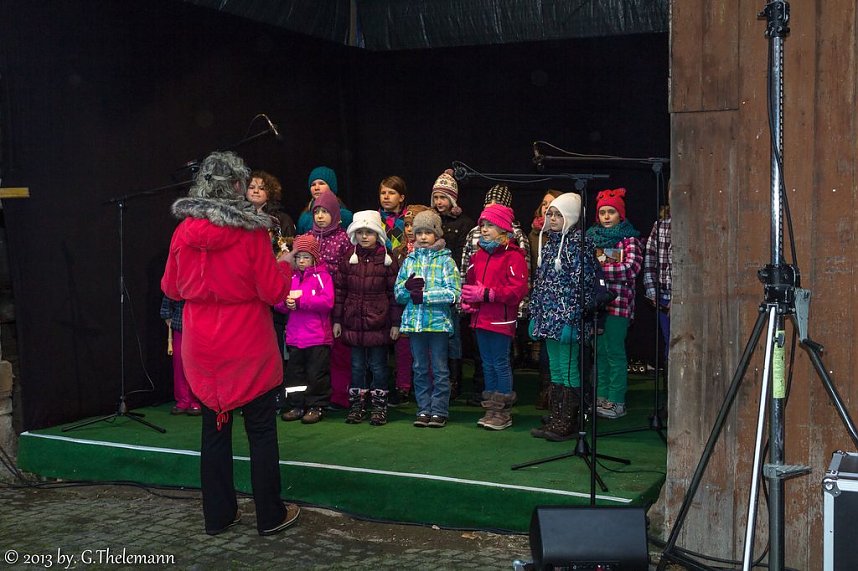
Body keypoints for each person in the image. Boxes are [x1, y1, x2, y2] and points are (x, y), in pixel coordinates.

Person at [160, 151, 300, 536]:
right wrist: (285, 264)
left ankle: (218, 515)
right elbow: (272, 291)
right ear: (238, 185)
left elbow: (171, 287)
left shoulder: (183, 231)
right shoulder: (251, 232)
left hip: (202, 345)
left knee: (214, 432)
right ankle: (270, 515)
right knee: (261, 431)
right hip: (246, 341)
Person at [529, 193, 596, 441]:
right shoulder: (549, 244)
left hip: (567, 320)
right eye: (551, 214)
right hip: (549, 319)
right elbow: (541, 284)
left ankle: (568, 421)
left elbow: (582, 288)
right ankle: (557, 416)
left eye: (559, 214)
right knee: (555, 368)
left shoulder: (580, 245)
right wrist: (536, 314)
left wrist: (572, 321)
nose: (554, 218)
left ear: (572, 216)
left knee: (568, 369)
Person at [459, 184, 531, 405]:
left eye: (490, 225)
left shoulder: (514, 256)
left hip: (501, 320)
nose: (484, 229)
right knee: (486, 362)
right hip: (481, 319)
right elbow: (471, 284)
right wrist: (470, 302)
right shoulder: (478, 256)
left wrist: (487, 294)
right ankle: (491, 402)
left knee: (500, 362)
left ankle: (502, 404)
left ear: (503, 228)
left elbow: (517, 290)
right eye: (483, 224)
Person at [395, 209, 461, 428]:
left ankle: (439, 410)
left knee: (440, 369)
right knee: (419, 367)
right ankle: (424, 408)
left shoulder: (446, 261)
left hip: (438, 324)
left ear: (437, 234)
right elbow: (398, 294)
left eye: (428, 232)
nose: (423, 237)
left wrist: (425, 296)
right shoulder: (409, 261)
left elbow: (454, 293)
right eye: (419, 232)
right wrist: (407, 288)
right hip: (415, 325)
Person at [334, 210, 402, 425]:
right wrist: (337, 320)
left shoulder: (387, 260)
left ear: (378, 234)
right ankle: (357, 405)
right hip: (353, 322)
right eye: (360, 232)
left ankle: (379, 406)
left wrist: (395, 323)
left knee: (379, 366)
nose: (364, 236)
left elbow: (394, 295)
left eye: (369, 232)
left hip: (379, 323)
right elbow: (340, 292)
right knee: (356, 366)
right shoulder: (348, 258)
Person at [586, 187, 642, 420]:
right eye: (602, 213)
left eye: (611, 212)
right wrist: (605, 267)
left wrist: (599, 269)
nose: (606, 216)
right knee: (599, 352)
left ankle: (616, 400)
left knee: (614, 352)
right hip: (596, 307)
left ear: (621, 214)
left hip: (619, 305)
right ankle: (601, 396)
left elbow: (630, 268)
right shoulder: (590, 238)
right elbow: (585, 267)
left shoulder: (630, 239)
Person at [246, 170, 296, 411]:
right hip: (247, 289)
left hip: (272, 284)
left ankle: (275, 395)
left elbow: (287, 252)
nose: (256, 191)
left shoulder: (280, 219)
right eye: (251, 187)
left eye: (261, 187)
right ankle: (248, 395)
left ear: (271, 192)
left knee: (273, 345)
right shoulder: (237, 218)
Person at [275, 235, 335, 424]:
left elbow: (327, 302)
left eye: (306, 257)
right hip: (295, 337)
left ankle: (316, 406)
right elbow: (277, 301)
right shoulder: (290, 277)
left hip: (317, 337)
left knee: (316, 374)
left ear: (315, 258)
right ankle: (296, 404)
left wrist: (301, 302)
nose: (301, 261)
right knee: (295, 374)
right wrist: (285, 304)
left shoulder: (322, 277)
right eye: (298, 257)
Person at [307, 189, 354, 409]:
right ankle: (316, 396)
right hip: (311, 305)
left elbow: (348, 272)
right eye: (317, 212)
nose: (320, 216)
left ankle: (339, 395)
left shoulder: (343, 239)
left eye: (325, 212)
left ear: (335, 213)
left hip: (336, 303)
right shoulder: (308, 238)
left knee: (339, 351)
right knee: (315, 352)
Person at [430, 169, 473, 399]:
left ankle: (454, 380)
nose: (439, 202)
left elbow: (462, 257)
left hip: (451, 285)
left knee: (453, 334)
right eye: (436, 197)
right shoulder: (430, 221)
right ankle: (439, 378)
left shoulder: (464, 224)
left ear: (453, 199)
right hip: (432, 287)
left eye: (443, 197)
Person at [390, 204, 432, 406]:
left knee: (427, 353)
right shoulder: (397, 252)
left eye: (413, 225)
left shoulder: (433, 253)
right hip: (403, 309)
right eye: (406, 225)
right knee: (404, 351)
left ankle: (425, 387)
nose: (409, 229)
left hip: (426, 311)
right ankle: (403, 386)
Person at [528, 189, 564, 409]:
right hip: (541, 300)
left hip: (562, 304)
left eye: (552, 205)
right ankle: (547, 394)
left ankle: (563, 402)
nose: (547, 209)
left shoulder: (570, 239)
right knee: (545, 353)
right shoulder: (534, 234)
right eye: (544, 204)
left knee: (562, 357)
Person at [160, 296, 202, 416]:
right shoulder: (176, 284)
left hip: (199, 326)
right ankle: (183, 400)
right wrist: (167, 316)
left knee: (197, 365)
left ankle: (196, 400)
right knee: (179, 364)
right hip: (180, 326)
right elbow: (167, 298)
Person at [643, 204, 671, 363]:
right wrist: (653, 292)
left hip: (684, 298)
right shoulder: (660, 226)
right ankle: (669, 375)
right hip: (663, 297)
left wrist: (679, 296)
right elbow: (650, 260)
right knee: (670, 340)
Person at [296, 166, 354, 234]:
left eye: (321, 183)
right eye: (313, 184)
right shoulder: (304, 218)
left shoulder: (345, 216)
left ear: (331, 187)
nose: (316, 188)